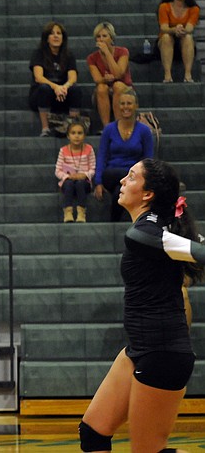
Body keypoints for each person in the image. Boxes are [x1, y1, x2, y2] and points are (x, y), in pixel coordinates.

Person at [79, 158, 204, 453]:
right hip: (139, 347)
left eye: (131, 177)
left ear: (148, 194)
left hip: (163, 352)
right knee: (93, 432)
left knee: (149, 451)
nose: (122, 181)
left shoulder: (146, 234)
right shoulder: (157, 229)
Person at [94, 89, 153, 222]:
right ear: (118, 106)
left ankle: (113, 223)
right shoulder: (109, 129)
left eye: (129, 103)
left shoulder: (144, 131)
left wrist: (145, 179)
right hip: (111, 174)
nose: (125, 107)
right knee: (120, 177)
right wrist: (98, 182)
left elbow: (148, 160)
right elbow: (102, 156)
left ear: (136, 106)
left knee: (118, 192)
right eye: (122, 104)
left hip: (133, 175)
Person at [28, 21, 82, 137]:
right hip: (42, 95)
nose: (56, 36)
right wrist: (56, 87)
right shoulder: (38, 53)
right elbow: (38, 77)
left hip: (61, 94)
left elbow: (73, 77)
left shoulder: (69, 55)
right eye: (52, 33)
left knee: (76, 90)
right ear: (47, 38)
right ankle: (45, 128)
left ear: (63, 38)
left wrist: (64, 87)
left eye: (59, 33)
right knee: (44, 88)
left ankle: (73, 128)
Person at [87, 22, 132, 129]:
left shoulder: (123, 52)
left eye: (104, 36)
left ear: (111, 38)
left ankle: (119, 126)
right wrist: (105, 79)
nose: (101, 39)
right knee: (101, 87)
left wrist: (107, 53)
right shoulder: (92, 58)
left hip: (124, 88)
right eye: (98, 37)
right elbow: (97, 79)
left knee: (117, 85)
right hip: (104, 89)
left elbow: (118, 73)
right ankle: (107, 128)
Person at [157, 0, 199, 83]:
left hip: (183, 39)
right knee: (166, 37)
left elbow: (190, 28)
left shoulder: (194, 8)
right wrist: (175, 29)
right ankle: (167, 74)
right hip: (166, 40)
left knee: (188, 37)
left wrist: (181, 30)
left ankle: (188, 74)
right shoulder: (164, 6)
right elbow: (163, 27)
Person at [55, 120, 95, 223]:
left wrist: (84, 175)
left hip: (83, 181)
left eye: (79, 133)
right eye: (73, 133)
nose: (76, 136)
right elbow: (58, 171)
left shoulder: (89, 149)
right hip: (69, 179)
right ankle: (68, 212)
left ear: (84, 135)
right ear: (68, 136)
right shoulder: (63, 150)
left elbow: (93, 168)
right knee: (69, 184)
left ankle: (81, 212)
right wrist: (67, 177)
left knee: (80, 184)